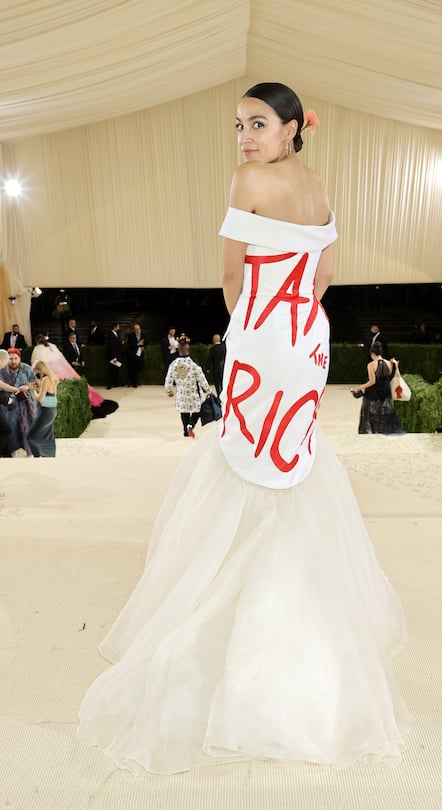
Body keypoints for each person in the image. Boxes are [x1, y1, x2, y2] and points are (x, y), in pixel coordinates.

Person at [78, 82, 410, 774]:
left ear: (292, 127)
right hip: (307, 335)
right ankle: (300, 620)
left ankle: (232, 621)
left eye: (258, 124)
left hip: (262, 333)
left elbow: (230, 277)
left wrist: (254, 331)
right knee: (294, 459)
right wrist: (294, 324)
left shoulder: (246, 181)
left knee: (245, 460)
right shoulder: (317, 184)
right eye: (238, 126)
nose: (245, 138)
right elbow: (325, 276)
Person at [31, 335, 118, 419]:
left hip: (54, 373)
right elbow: (62, 360)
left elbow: (35, 364)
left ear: (37, 341)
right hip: (65, 370)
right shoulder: (52, 346)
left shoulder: (37, 349)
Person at [352, 342, 405, 434]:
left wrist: (359, 388)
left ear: (372, 353)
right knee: (383, 413)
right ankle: (382, 430)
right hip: (385, 392)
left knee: (368, 413)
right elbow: (388, 376)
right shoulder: (389, 363)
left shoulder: (371, 365)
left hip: (373, 393)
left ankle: (370, 431)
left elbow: (372, 381)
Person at [164, 337, 211, 437]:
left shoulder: (173, 364)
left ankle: (185, 431)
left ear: (178, 350)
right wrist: (208, 390)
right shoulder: (193, 364)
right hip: (194, 394)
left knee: (183, 412)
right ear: (188, 349)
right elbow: (201, 378)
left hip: (181, 394)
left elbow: (168, 379)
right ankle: (191, 425)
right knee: (198, 410)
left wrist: (168, 390)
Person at [0, 348, 37, 456]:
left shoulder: (26, 368)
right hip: (8, 404)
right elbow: (1, 385)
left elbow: (36, 382)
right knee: (11, 427)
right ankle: (11, 450)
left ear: (20, 358)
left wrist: (27, 387)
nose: (13, 361)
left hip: (26, 403)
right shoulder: (2, 368)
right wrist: (15, 389)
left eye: (16, 358)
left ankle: (29, 450)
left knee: (27, 426)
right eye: (10, 358)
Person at [27, 360, 59, 457]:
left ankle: (38, 455)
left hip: (44, 412)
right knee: (47, 435)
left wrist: (33, 390)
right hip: (52, 411)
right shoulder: (53, 377)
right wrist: (39, 385)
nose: (35, 374)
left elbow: (40, 399)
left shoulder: (45, 379)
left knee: (31, 436)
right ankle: (48, 455)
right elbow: (50, 393)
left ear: (39, 369)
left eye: (35, 371)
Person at [126, 323, 146, 387]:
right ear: (134, 330)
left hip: (140, 354)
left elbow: (146, 342)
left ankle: (134, 380)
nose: (138, 330)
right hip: (133, 355)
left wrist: (143, 347)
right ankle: (134, 383)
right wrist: (138, 344)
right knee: (133, 368)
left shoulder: (143, 335)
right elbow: (130, 345)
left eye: (139, 329)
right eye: (136, 329)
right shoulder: (130, 335)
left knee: (140, 367)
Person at [105, 323, 123, 389]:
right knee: (111, 370)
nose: (119, 328)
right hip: (113, 356)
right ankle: (109, 384)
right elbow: (111, 347)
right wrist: (114, 357)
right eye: (118, 327)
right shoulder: (110, 335)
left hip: (117, 355)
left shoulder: (116, 334)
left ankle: (116, 383)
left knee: (116, 370)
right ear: (114, 327)